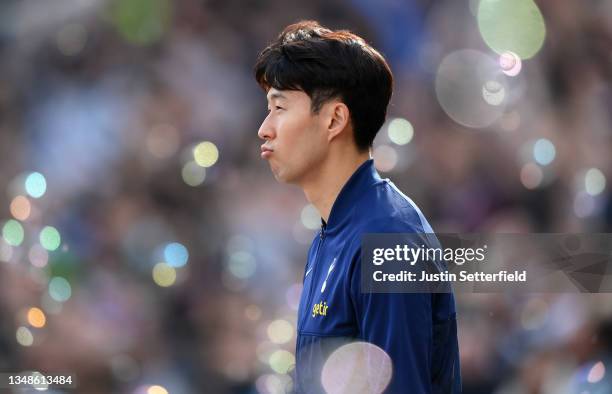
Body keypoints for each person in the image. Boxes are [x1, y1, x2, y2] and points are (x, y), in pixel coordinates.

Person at [254, 20, 461, 394]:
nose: (264, 128)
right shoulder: (334, 231)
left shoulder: (386, 240)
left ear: (334, 119)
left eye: (279, 107)